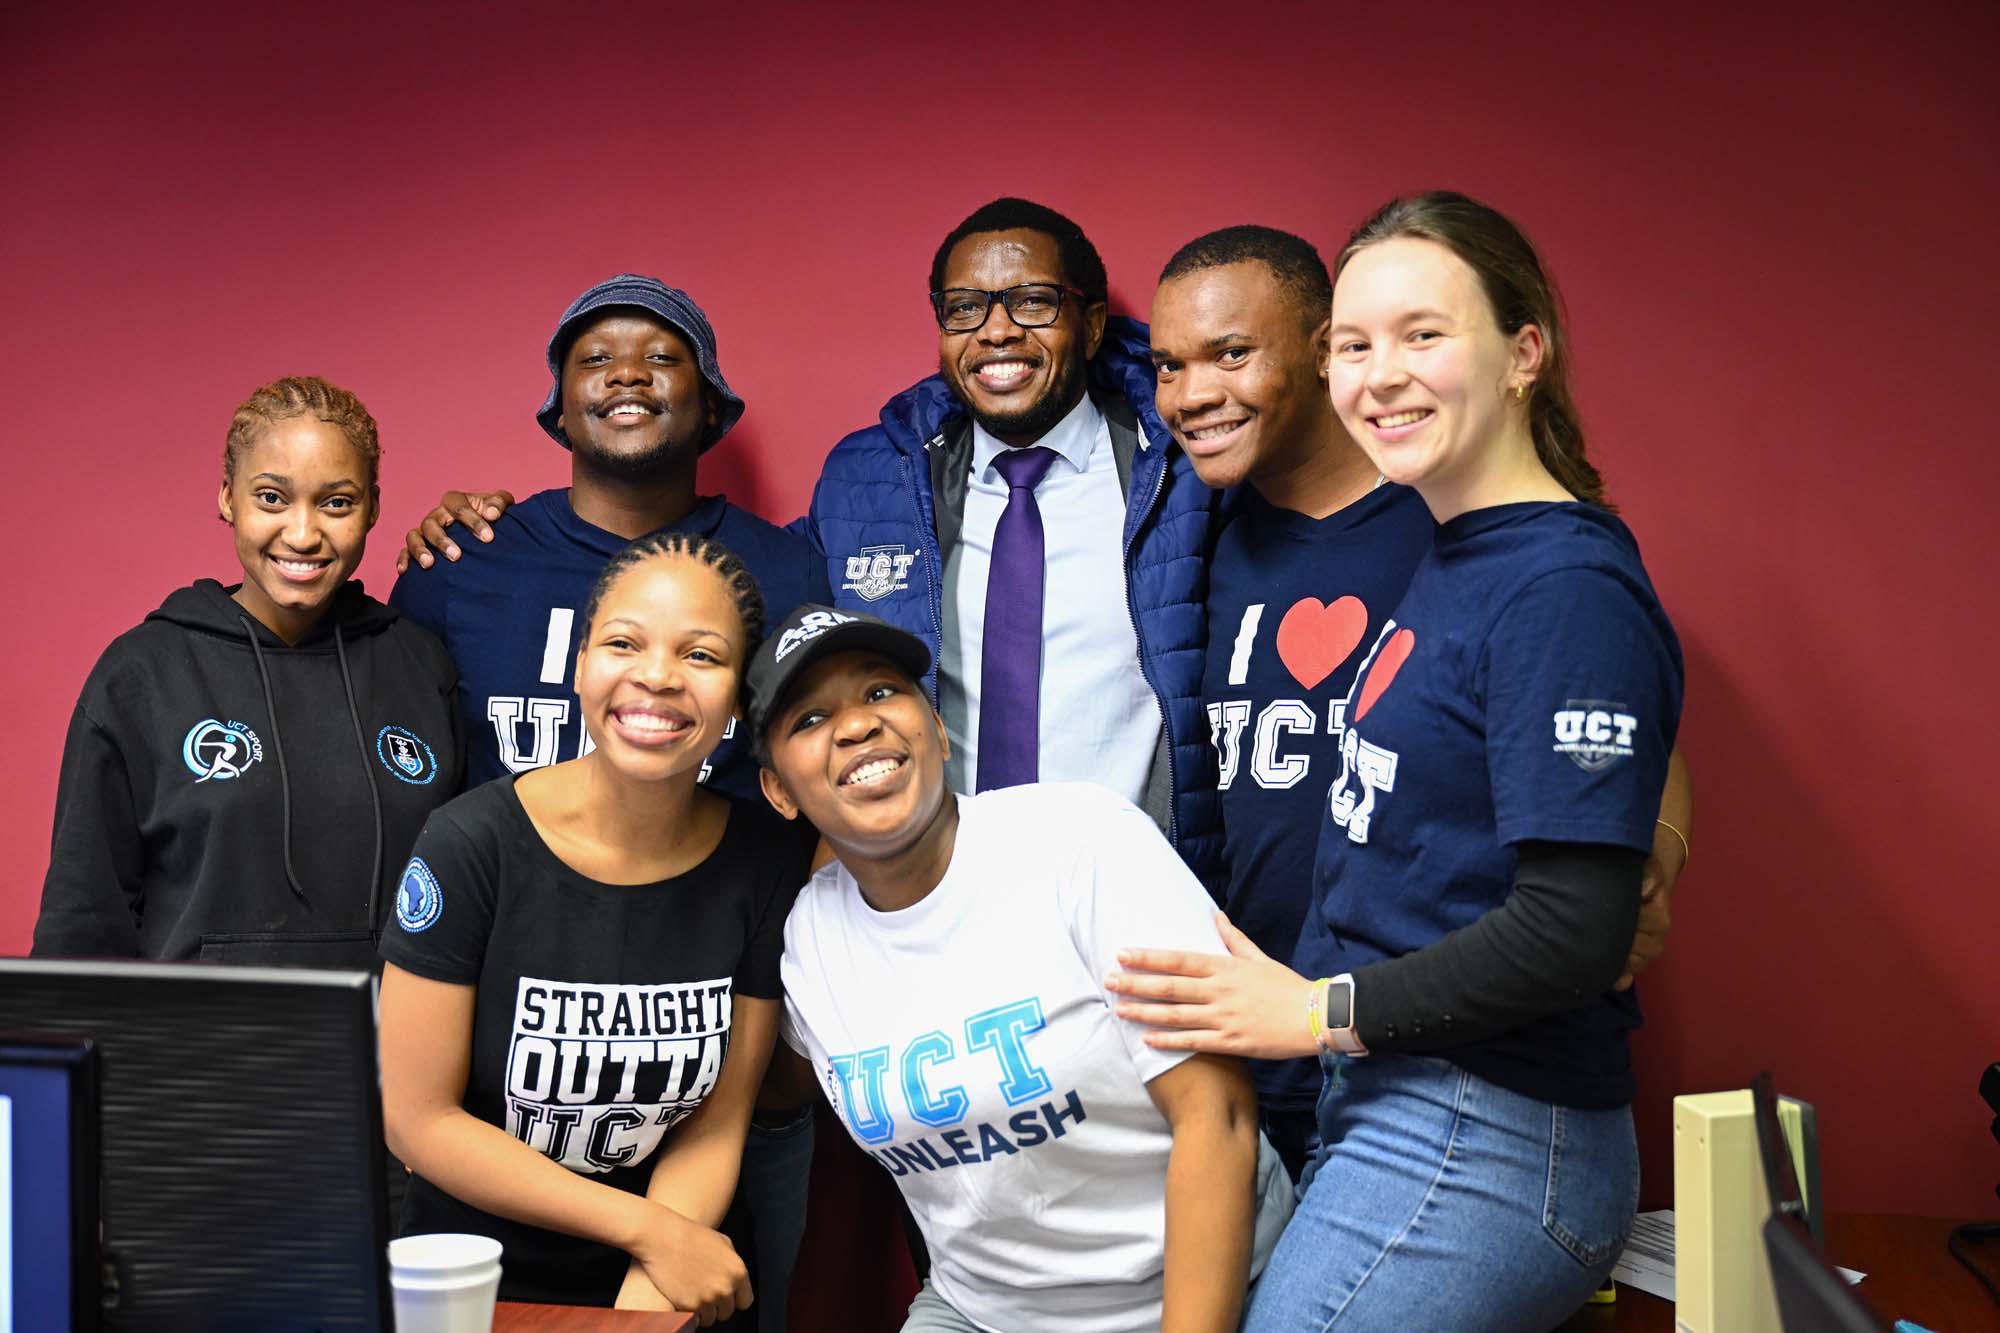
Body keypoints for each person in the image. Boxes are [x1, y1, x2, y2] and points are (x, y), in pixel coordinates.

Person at [1109, 192, 1685, 1329]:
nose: (1379, 373)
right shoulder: (1452, 546)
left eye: (1422, 334)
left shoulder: (1553, 573)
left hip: (1484, 1111)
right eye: (1359, 345)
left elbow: (1575, 919)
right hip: (1358, 1084)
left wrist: (1312, 1007)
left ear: (1524, 351)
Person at [387, 275, 823, 1328]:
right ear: (578, 661)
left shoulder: (783, 564)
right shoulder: (466, 561)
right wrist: (648, 1236)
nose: (657, 677)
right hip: (503, 1048)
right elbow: (422, 1115)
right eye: (595, 357)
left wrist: (655, 1265)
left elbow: (717, 1121)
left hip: (692, 1052)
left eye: (661, 354)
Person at [746, 603, 1292, 1333]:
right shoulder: (812, 937)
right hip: (984, 1314)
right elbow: (770, 1088)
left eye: (881, 692)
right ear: (779, 789)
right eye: (809, 719)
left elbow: (1216, 1116)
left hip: (1206, 1295)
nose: (855, 725)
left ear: (936, 730)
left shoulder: (1083, 844)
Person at [34, 375, 461, 967]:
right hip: (196, 1053)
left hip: (394, 1053)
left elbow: (470, 890)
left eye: (336, 502)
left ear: (373, 509)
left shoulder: (419, 664)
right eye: (271, 498)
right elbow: (82, 924)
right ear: (227, 497)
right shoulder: (143, 674)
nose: (304, 533)